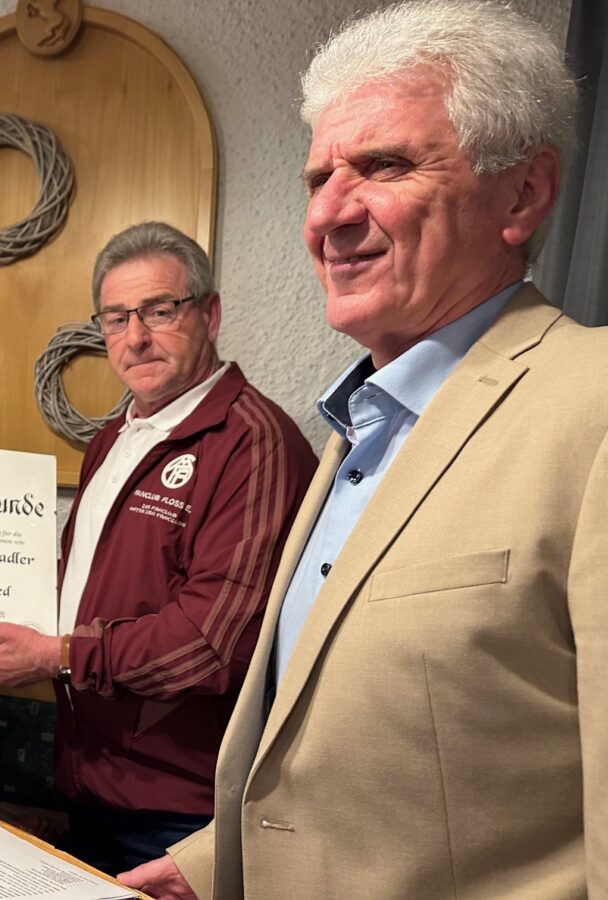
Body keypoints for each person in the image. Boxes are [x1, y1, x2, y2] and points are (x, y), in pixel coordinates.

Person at [119, 3, 607, 898]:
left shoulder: (594, 408)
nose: (330, 216)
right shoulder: (361, 424)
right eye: (317, 179)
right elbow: (370, 743)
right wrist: (211, 864)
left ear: (526, 194)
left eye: (384, 165)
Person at [0, 222, 316, 874]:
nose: (135, 337)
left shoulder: (252, 443)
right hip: (91, 780)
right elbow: (90, 585)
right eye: (117, 316)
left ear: (209, 314)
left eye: (161, 310)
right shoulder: (115, 435)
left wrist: (61, 654)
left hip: (179, 809)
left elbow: (209, 644)